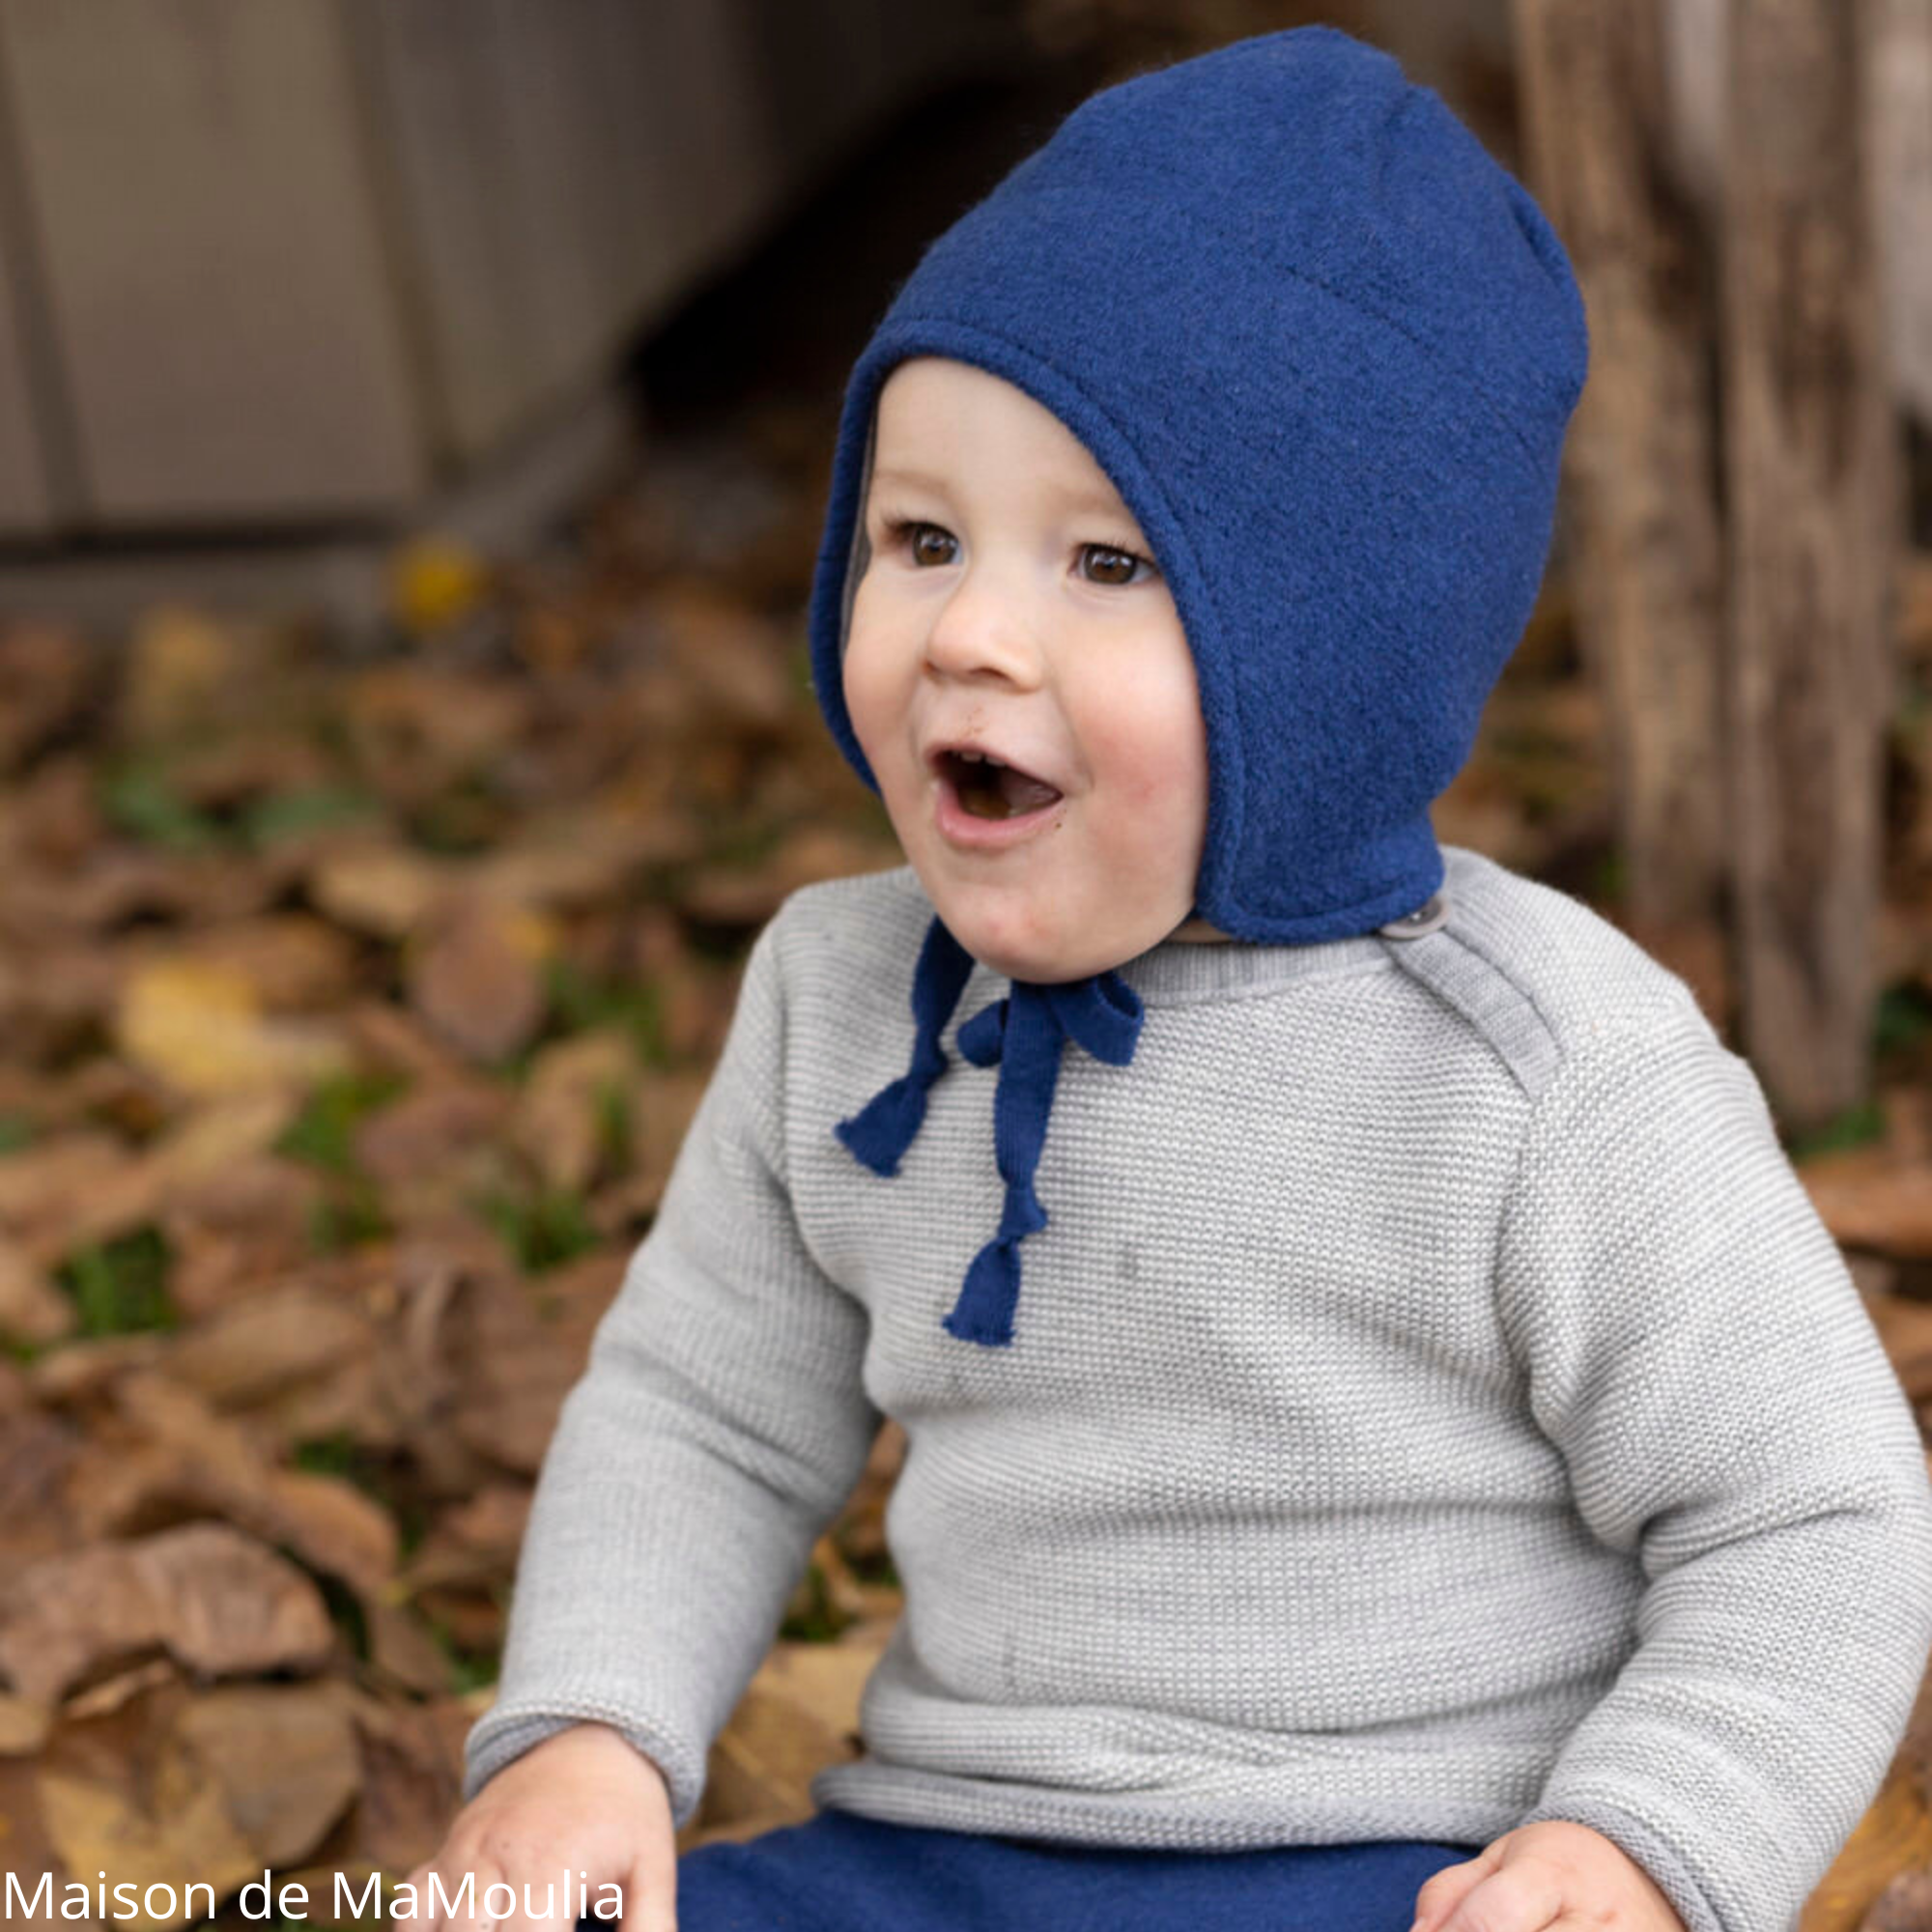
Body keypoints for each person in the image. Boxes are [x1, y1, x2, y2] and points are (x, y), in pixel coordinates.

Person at [405, 26, 1932, 1932]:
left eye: (1107, 562)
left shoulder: (1541, 1071)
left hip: (1404, 1861)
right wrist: (589, 1737)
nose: (970, 630)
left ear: (1334, 661)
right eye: (921, 537)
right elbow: (700, 1410)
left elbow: (1806, 1513)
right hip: (934, 1856)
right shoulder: (839, 991)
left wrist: (1634, 1848)